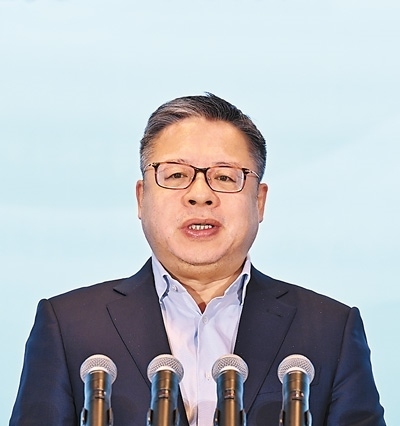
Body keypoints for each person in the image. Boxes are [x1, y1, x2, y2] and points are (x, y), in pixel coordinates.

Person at [10, 93, 385, 426]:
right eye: (176, 175)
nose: (200, 194)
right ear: (141, 198)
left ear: (259, 201)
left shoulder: (329, 330)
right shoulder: (69, 326)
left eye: (225, 177)